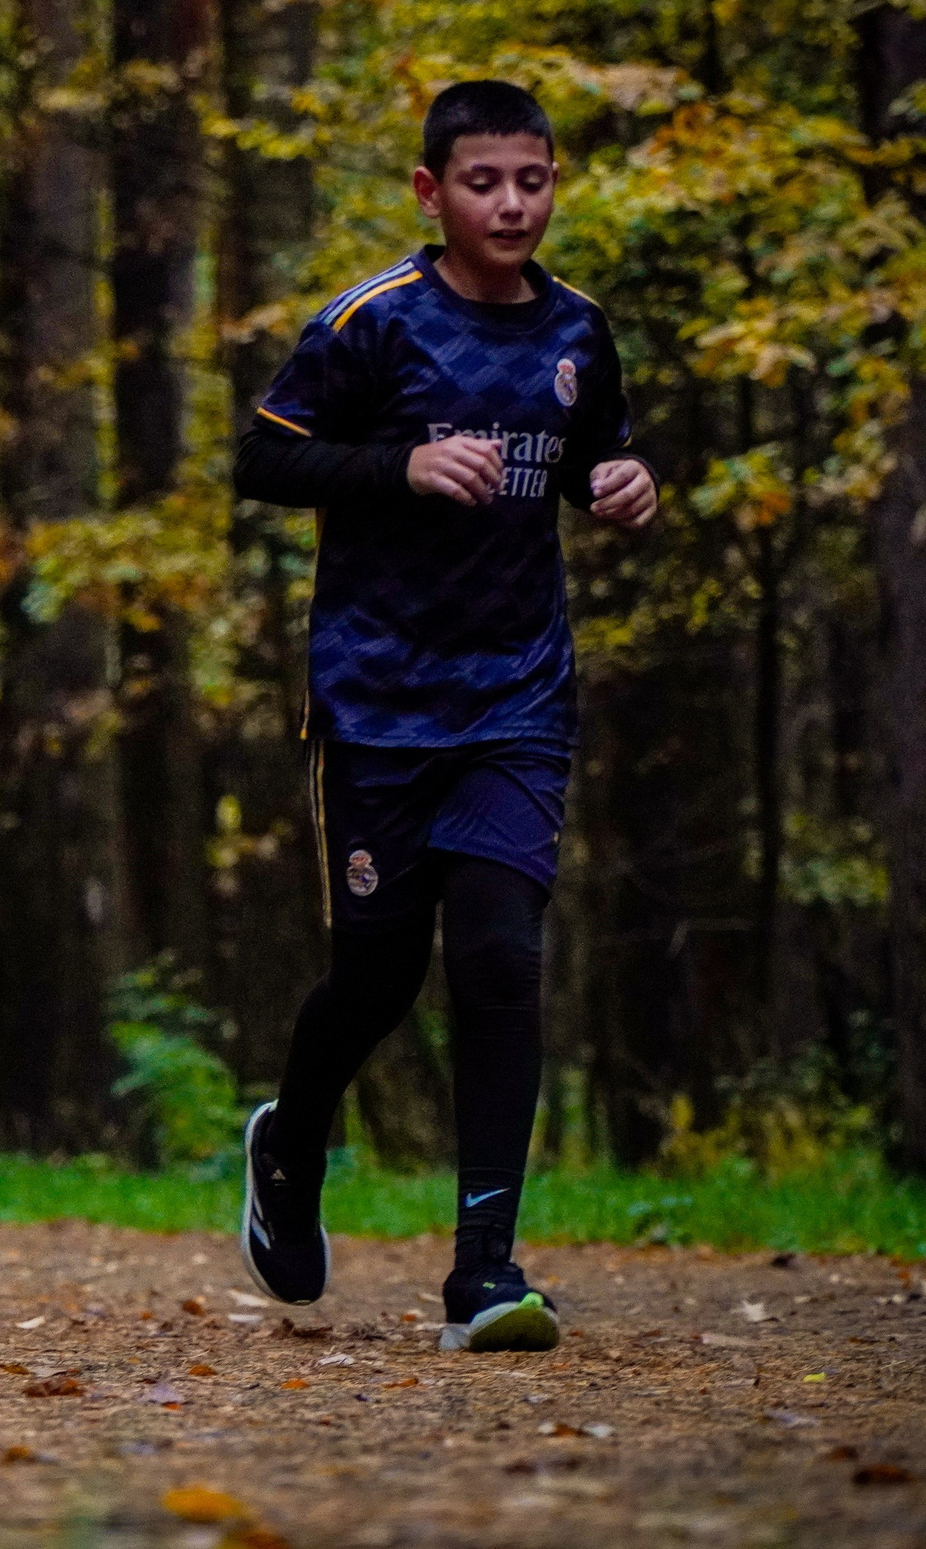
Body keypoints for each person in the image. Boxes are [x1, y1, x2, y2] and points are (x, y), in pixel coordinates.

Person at [231, 81, 658, 1355]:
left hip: (517, 697)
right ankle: (290, 1145)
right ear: (431, 192)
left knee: (496, 955)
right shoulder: (371, 327)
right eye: (484, 183)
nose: (512, 204)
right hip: (373, 700)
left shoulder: (580, 328)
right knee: (375, 976)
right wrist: (396, 466)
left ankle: (485, 1268)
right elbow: (261, 462)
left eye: (532, 180)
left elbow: (593, 459)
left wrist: (623, 484)